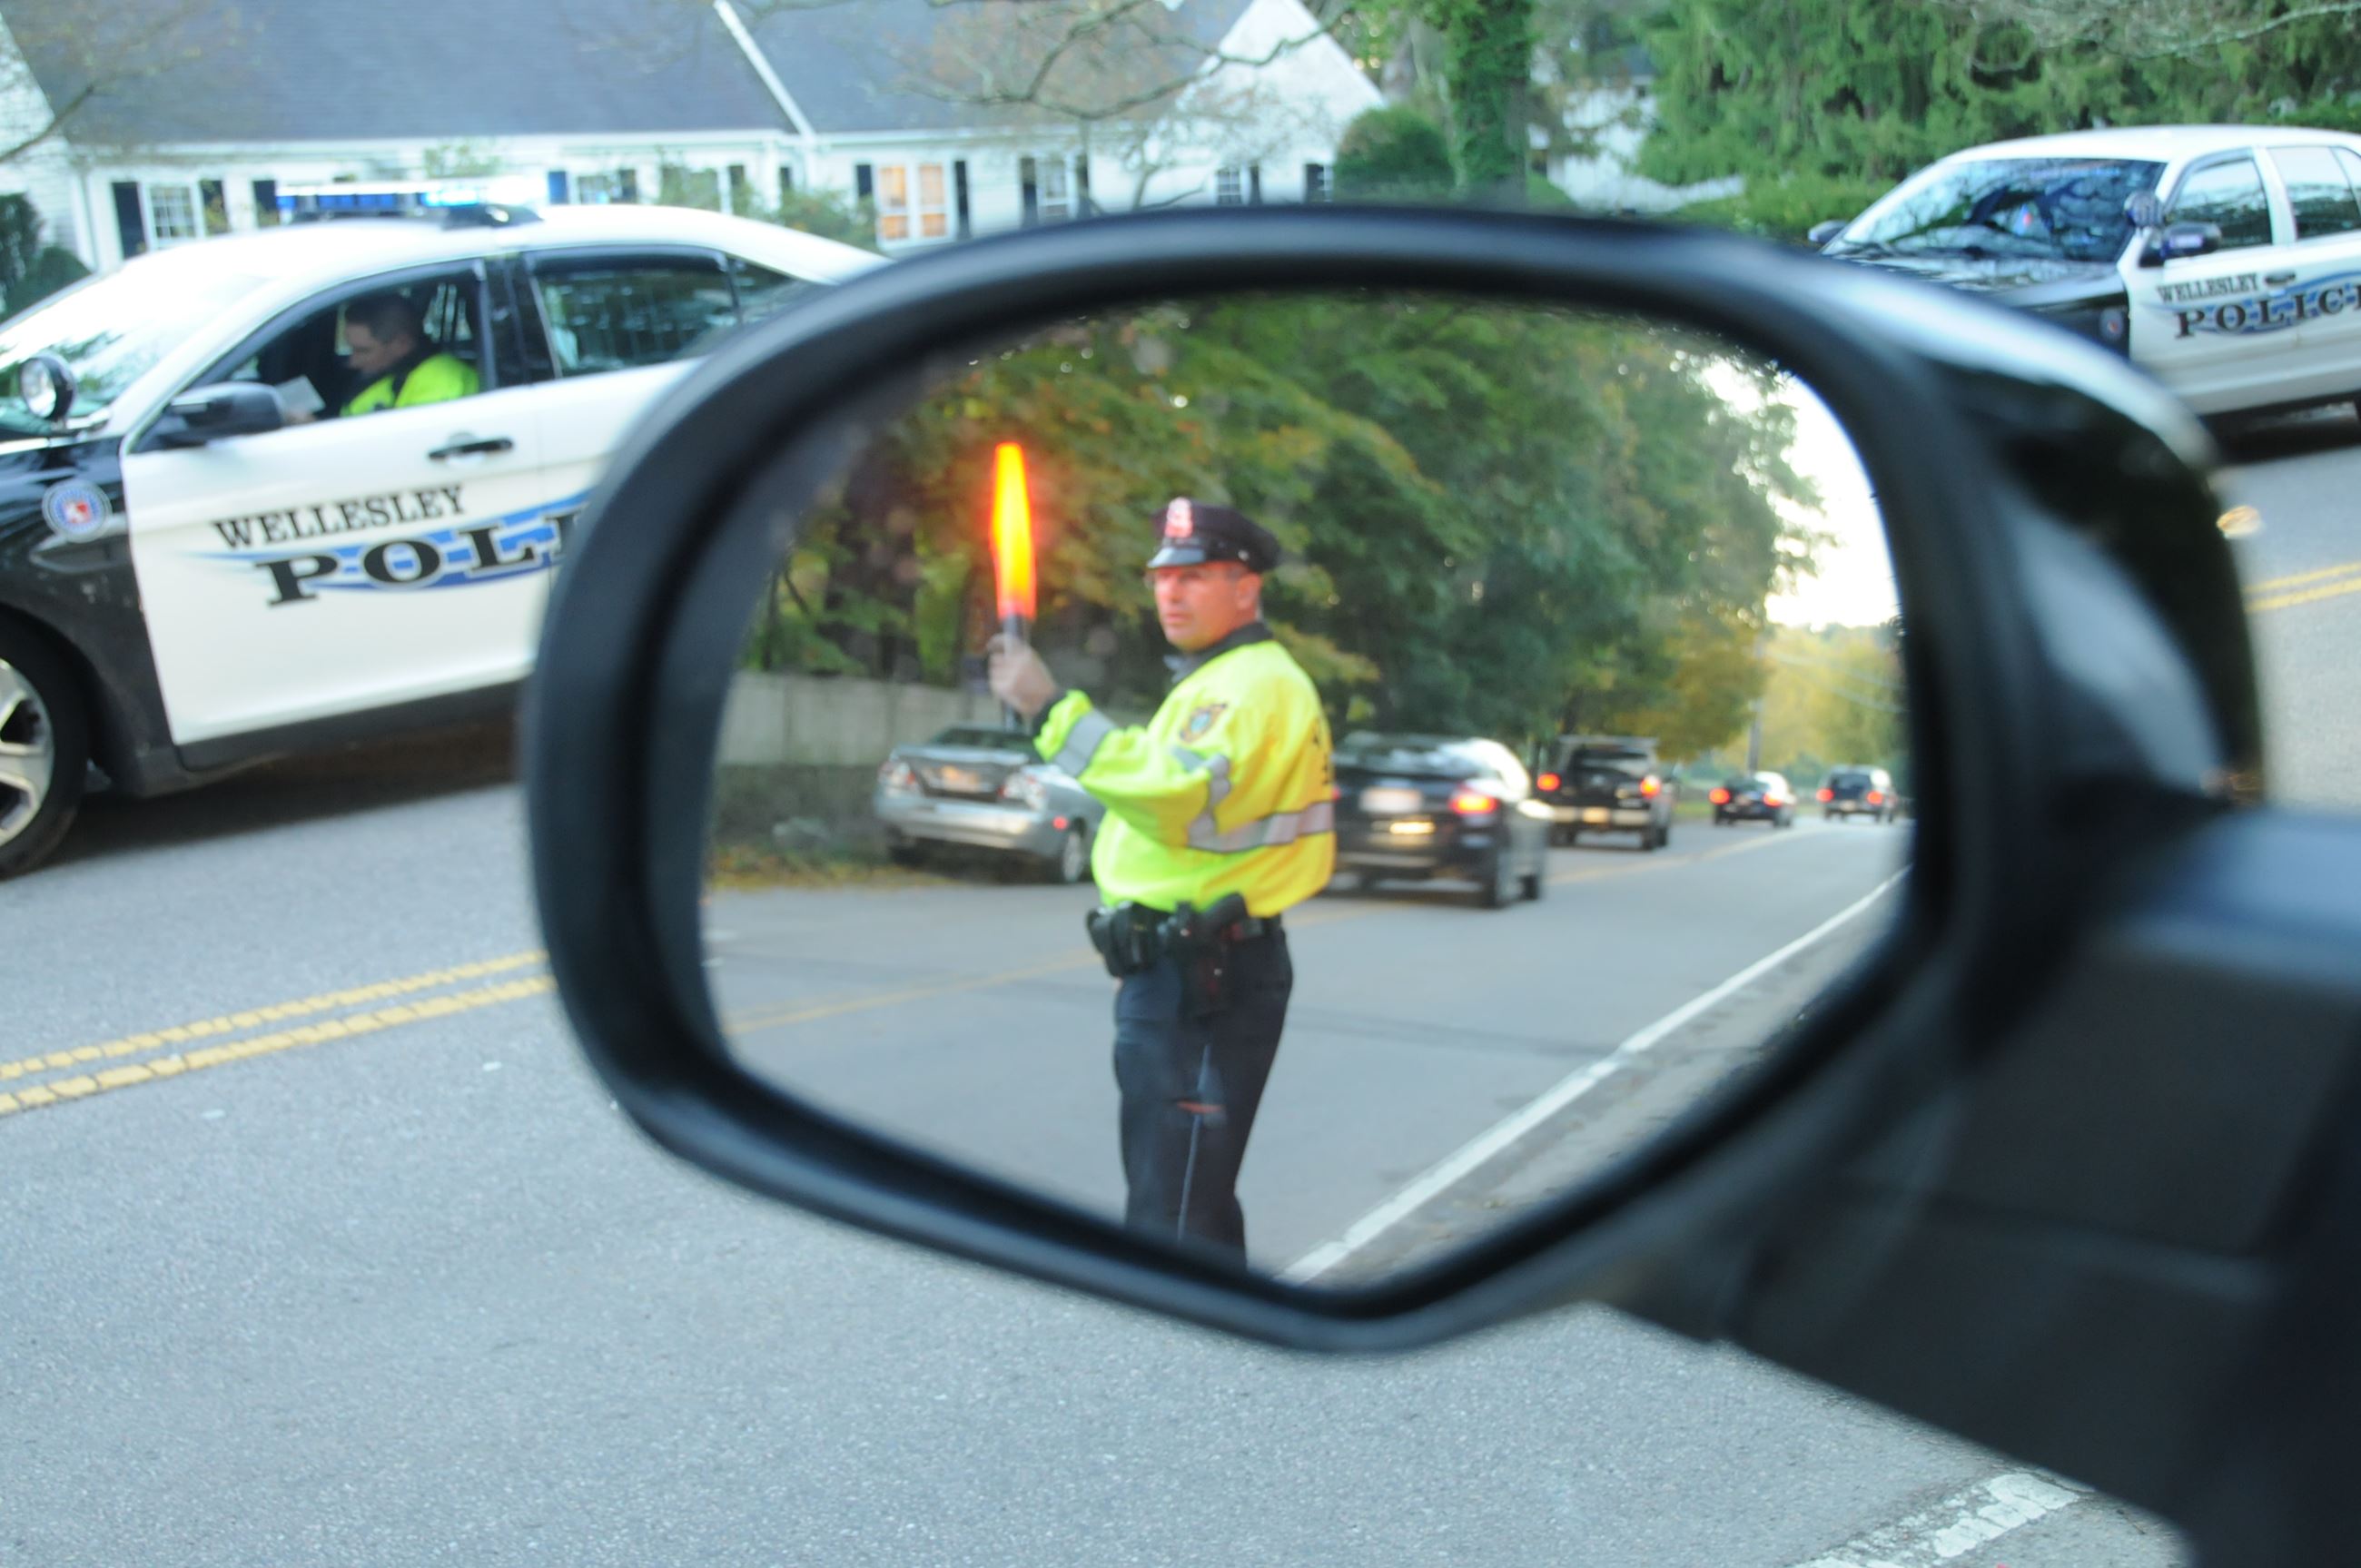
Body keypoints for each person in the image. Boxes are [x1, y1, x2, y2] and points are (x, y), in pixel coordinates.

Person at [989, 498, 1335, 1260]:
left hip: (1205, 973)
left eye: (1196, 576)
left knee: (1174, 1212)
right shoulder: (1217, 680)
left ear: (1247, 587)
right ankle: (1208, 1352)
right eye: (1161, 578)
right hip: (1184, 966)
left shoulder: (1246, 684)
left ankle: (1182, 1359)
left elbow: (1167, 794)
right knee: (1181, 1194)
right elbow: (1164, 820)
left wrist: (1048, 707)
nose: (1170, 593)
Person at [335, 292, 479, 417]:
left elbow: (409, 442)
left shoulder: (441, 380)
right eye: (351, 349)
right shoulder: (394, 372)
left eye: (363, 351)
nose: (352, 361)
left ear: (402, 343)